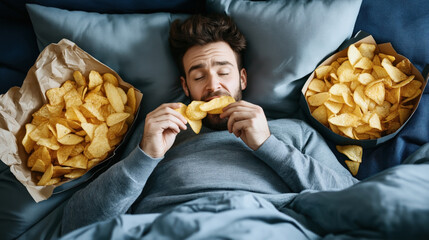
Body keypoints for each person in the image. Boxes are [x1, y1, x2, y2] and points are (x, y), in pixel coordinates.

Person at [61, 14, 358, 235]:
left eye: (223, 72)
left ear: (242, 78)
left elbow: (353, 203)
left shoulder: (294, 132)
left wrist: (269, 146)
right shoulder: (157, 133)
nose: (213, 86)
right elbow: (77, 225)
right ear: (186, 87)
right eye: (199, 76)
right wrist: (144, 157)